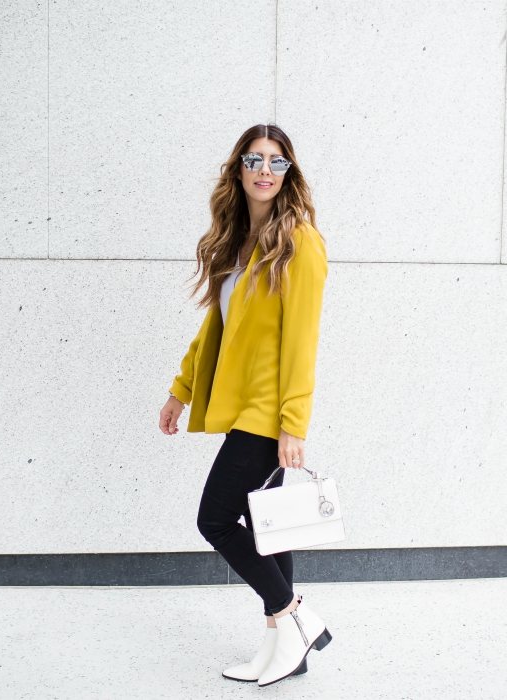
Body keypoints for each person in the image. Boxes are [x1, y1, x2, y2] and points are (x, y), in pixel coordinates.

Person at [159, 124, 331, 687]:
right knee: (268, 531)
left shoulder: (300, 243)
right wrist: (181, 389)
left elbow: (302, 342)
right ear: (239, 168)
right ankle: (285, 646)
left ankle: (295, 618)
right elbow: (217, 329)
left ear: (288, 173)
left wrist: (293, 424)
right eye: (254, 160)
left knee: (215, 519)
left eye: (277, 162)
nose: (264, 170)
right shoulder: (239, 244)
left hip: (268, 413)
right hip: (245, 408)